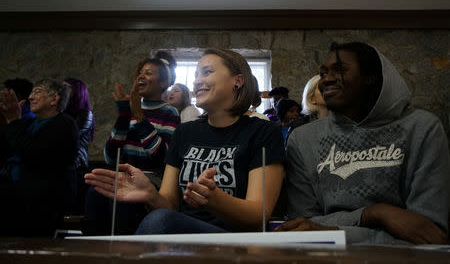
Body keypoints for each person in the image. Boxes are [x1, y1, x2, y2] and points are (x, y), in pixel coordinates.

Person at [85, 49, 285, 234]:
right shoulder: (185, 132)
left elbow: (259, 216)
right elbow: (170, 205)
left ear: (238, 81)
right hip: (183, 232)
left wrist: (215, 200)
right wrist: (150, 194)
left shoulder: (262, 131)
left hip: (235, 239)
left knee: (160, 220)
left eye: (206, 72)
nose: (197, 81)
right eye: (196, 75)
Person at [276, 42, 449, 245]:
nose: (326, 80)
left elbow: (428, 232)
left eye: (339, 70)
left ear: (370, 77)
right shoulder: (303, 139)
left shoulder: (421, 128)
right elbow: (304, 226)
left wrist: (333, 230)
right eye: (323, 73)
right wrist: (377, 213)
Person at [83, 51, 180, 235]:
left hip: (149, 179)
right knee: (95, 193)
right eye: (140, 73)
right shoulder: (130, 110)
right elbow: (111, 157)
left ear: (163, 83)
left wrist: (139, 116)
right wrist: (123, 115)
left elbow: (161, 158)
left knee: (122, 203)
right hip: (122, 176)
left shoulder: (170, 113)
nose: (141, 76)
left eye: (149, 73)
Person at [0, 78, 78, 236]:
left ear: (54, 99)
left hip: (44, 198)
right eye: (31, 92)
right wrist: (6, 121)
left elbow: (34, 154)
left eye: (37, 91)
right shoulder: (28, 124)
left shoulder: (64, 124)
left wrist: (13, 121)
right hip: (18, 192)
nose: (30, 97)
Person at [63, 77, 95, 213]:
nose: (62, 91)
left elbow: (70, 136)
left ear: (78, 92)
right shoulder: (61, 114)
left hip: (77, 166)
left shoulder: (86, 114)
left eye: (67, 88)